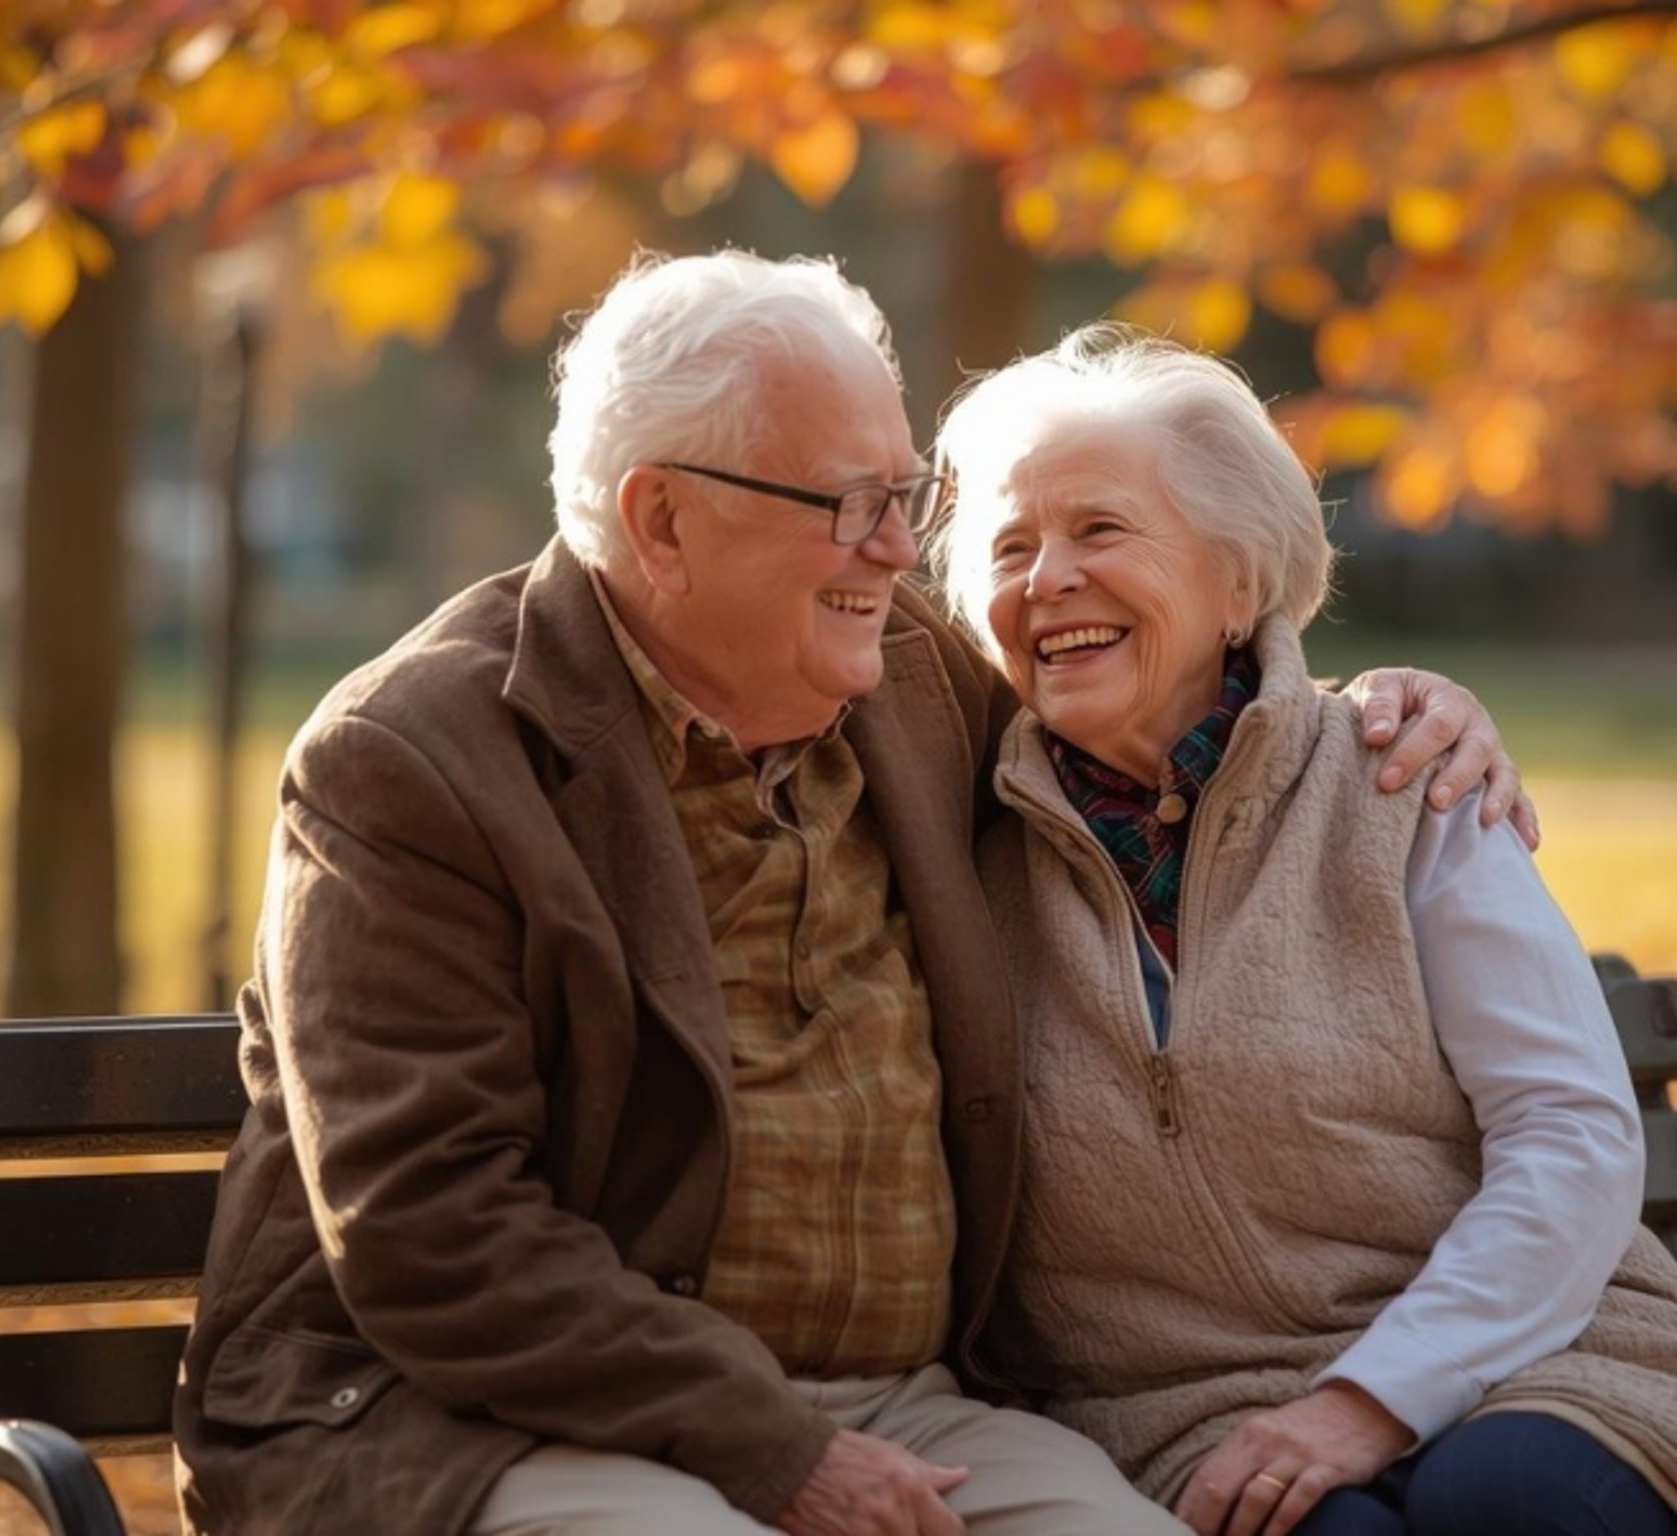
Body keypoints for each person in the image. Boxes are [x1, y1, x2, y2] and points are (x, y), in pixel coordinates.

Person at [172, 253, 1518, 1536]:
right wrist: (781, 1454)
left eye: (906, 495)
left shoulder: (917, 684)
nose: (897, 549)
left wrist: (1376, 717)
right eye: (849, 502)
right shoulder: (412, 762)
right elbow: (431, 1231)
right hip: (484, 1420)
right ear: (662, 519)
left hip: (907, 1408)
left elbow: (1166, 723)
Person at [931, 325, 1677, 1536]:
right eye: (1010, 549)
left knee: (1510, 1495)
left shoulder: (1401, 782)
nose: (1048, 578)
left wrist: (1372, 1399)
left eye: (1101, 530)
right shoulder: (947, 843)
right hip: (1186, 1415)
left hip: (1536, 1359)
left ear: (1241, 583)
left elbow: (1570, 1132)